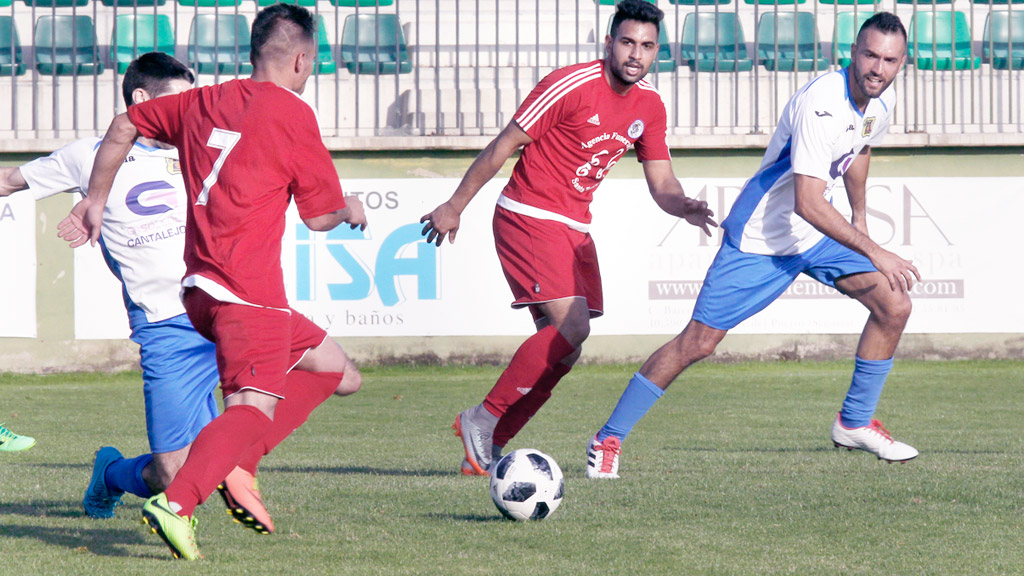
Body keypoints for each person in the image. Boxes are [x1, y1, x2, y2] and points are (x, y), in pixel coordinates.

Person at [76, 5, 367, 560]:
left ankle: (240, 462)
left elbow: (123, 126)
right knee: (252, 407)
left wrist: (94, 199)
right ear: (303, 58)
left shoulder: (201, 100)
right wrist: (350, 207)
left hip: (201, 290)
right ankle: (177, 502)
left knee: (336, 370)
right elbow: (319, 216)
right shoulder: (294, 114)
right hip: (248, 290)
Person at [585, 12, 920, 480]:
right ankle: (608, 437)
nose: (877, 68)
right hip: (762, 236)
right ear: (852, 53)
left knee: (894, 305)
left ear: (902, 63)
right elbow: (806, 201)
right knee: (697, 343)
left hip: (815, 237)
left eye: (889, 60)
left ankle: (855, 422)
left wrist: (860, 214)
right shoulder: (823, 103)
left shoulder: (882, 102)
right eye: (869, 55)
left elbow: (860, 149)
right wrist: (875, 249)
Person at [0, 52, 318, 532]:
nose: (190, 107)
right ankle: (111, 473)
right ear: (142, 101)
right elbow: (8, 180)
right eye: (179, 98)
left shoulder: (201, 147)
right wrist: (93, 201)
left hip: (229, 304)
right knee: (173, 473)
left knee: (332, 368)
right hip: (166, 324)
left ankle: (235, 463)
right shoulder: (89, 156)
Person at [420, 0, 716, 477]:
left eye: (646, 45)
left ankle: (489, 446)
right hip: (528, 213)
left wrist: (682, 205)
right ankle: (482, 417)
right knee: (572, 326)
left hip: (574, 225)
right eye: (627, 42)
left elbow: (662, 183)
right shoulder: (570, 83)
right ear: (609, 42)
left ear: (657, 51)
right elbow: (503, 146)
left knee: (567, 346)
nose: (635, 54)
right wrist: (455, 206)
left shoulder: (650, 106)